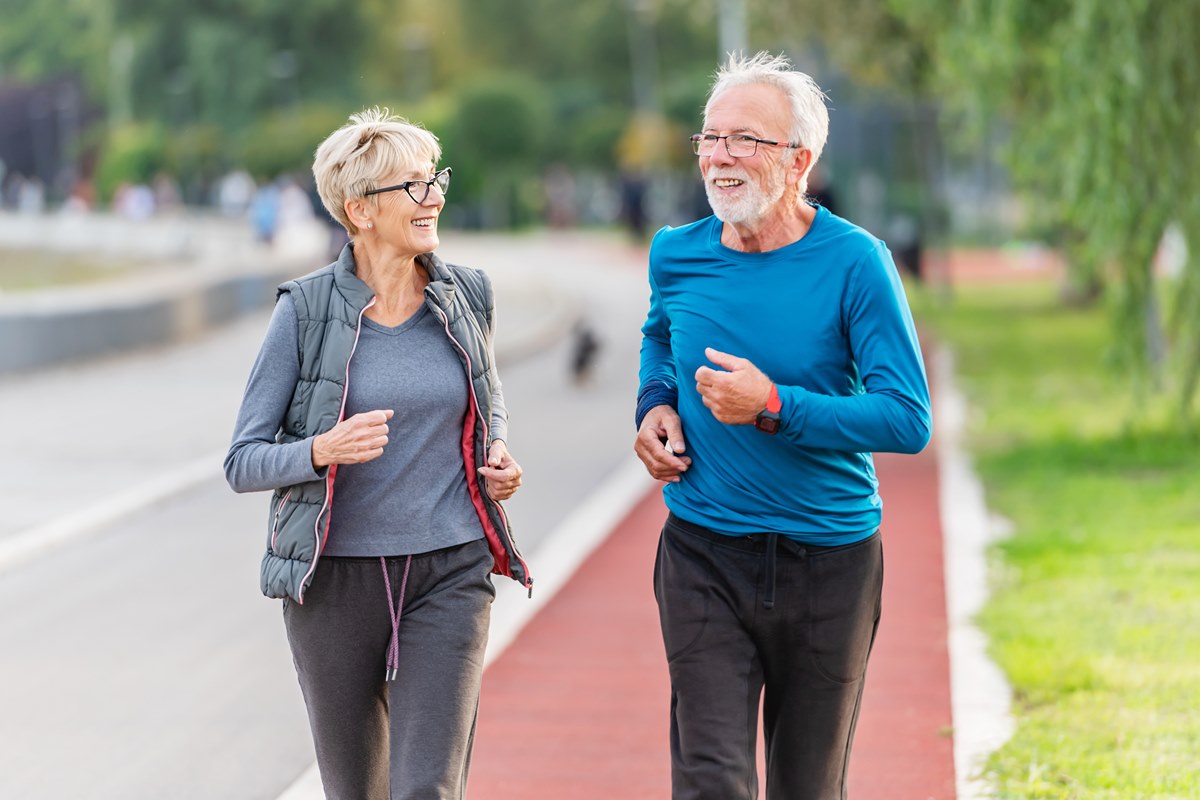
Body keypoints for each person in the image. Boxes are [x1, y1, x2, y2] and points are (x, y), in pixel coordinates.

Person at [633, 52, 932, 800]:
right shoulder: (676, 253)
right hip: (704, 551)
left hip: (829, 562)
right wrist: (654, 404)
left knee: (807, 787)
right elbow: (659, 336)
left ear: (800, 160)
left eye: (746, 139)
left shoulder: (857, 263)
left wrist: (774, 406)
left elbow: (906, 418)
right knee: (712, 781)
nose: (720, 155)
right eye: (710, 137)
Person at [224, 107, 532, 800]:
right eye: (413, 187)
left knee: (428, 788)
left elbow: (488, 396)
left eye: (435, 180)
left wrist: (500, 452)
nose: (434, 199)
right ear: (359, 210)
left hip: (450, 569)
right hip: (335, 582)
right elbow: (243, 459)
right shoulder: (303, 312)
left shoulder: (467, 296)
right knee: (357, 790)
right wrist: (322, 449)